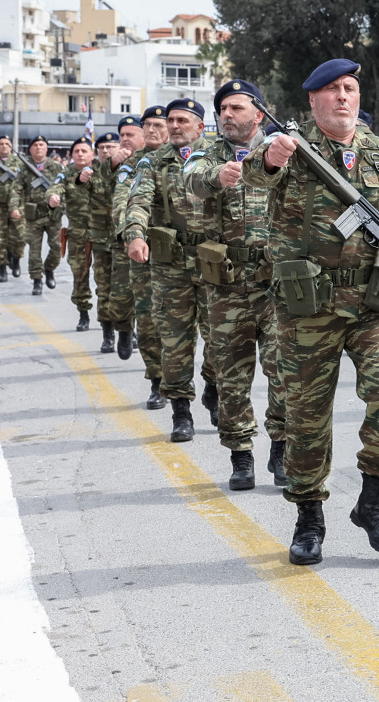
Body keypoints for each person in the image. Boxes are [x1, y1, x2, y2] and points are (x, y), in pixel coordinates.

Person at [233, 58, 379, 565]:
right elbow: (253, 178)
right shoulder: (289, 150)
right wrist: (270, 157)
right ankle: (309, 516)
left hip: (373, 306)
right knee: (306, 418)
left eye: (350, 88)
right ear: (312, 101)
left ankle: (374, 501)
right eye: (331, 89)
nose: (343, 96)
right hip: (306, 309)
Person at [188, 80, 288, 490]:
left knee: (284, 370)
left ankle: (281, 449)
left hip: (278, 284)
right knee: (232, 374)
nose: (228, 115)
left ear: (258, 115)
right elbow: (191, 178)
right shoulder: (206, 154)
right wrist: (218, 176)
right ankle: (241, 454)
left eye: (236, 108)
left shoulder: (281, 149)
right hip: (226, 286)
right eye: (223, 109)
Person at [124, 98, 216, 442]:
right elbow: (138, 200)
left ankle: (213, 386)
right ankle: (181, 412)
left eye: (182, 120)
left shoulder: (218, 156)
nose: (174, 126)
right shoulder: (153, 162)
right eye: (171, 120)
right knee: (175, 342)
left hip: (212, 263)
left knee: (219, 340)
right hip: (170, 265)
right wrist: (134, 234)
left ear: (200, 127)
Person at [115, 108, 169, 409]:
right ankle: (157, 382)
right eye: (145, 124)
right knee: (148, 321)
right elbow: (121, 201)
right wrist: (130, 233)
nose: (150, 129)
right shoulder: (132, 165)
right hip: (146, 253)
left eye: (157, 125)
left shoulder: (190, 160)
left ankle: (209, 383)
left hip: (185, 255)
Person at [12, 136, 66, 294]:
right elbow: (16, 188)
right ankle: (37, 280)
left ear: (47, 148)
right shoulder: (25, 168)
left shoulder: (56, 167)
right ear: (30, 149)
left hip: (53, 214)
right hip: (33, 215)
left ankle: (49, 269)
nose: (38, 148)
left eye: (41, 145)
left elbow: (65, 186)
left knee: (57, 247)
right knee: (34, 250)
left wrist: (62, 202)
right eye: (35, 145)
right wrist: (15, 207)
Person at [89, 132, 123, 352]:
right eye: (101, 147)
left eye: (111, 146)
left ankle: (128, 330)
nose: (106, 151)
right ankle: (107, 333)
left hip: (124, 242)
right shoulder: (88, 174)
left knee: (127, 291)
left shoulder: (127, 170)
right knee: (104, 290)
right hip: (101, 242)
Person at [62, 137, 97, 330]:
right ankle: (83, 314)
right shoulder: (66, 174)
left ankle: (109, 317)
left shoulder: (102, 172)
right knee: (80, 276)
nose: (81, 154)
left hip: (102, 234)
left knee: (106, 278)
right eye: (77, 151)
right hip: (77, 235)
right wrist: (53, 198)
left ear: (92, 154)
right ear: (71, 155)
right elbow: (55, 188)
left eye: (84, 151)